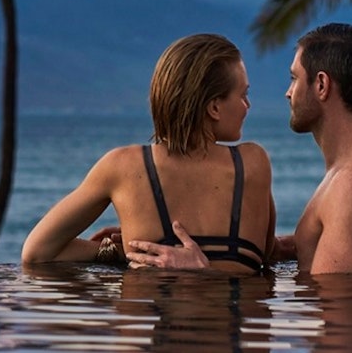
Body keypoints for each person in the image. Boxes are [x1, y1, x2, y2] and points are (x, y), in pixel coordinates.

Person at [127, 22, 352, 275]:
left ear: (321, 85)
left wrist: (203, 271)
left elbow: (335, 308)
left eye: (294, 78)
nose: (288, 93)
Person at [21, 33, 275, 275]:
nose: (247, 105)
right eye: (243, 94)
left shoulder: (123, 167)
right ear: (214, 107)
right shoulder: (253, 163)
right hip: (233, 314)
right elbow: (266, 253)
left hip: (152, 315)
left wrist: (122, 251)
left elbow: (37, 252)